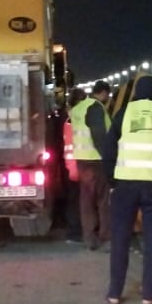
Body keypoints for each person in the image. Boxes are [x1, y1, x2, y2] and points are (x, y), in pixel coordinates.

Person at [103, 74, 152, 304]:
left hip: (125, 185)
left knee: (120, 238)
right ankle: (150, 295)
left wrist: (112, 182)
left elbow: (109, 151)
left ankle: (114, 293)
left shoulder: (123, 115)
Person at [70, 80, 111, 249]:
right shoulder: (95, 107)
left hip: (82, 160)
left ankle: (89, 238)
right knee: (103, 200)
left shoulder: (77, 109)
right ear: (103, 93)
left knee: (87, 200)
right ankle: (105, 237)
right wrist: (108, 158)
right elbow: (99, 136)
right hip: (96, 160)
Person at [62, 87, 85, 241]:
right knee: (81, 201)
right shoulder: (80, 119)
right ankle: (79, 231)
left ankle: (73, 232)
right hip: (81, 164)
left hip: (70, 166)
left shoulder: (67, 121)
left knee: (73, 200)